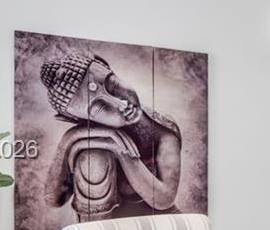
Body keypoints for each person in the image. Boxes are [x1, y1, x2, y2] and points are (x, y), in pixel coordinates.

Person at [40, 52, 182, 219]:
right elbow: (54, 200)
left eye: (113, 85)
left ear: (107, 66)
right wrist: (68, 139)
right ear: (78, 119)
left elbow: (164, 199)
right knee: (93, 158)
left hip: (156, 222)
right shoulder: (89, 139)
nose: (121, 104)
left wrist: (123, 153)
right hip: (104, 227)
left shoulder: (160, 129)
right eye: (99, 108)